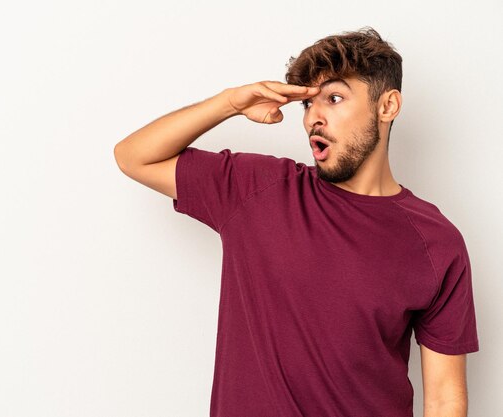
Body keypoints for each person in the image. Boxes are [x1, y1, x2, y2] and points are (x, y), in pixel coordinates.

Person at [113, 26, 479, 417]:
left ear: (387, 106)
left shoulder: (436, 242)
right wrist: (230, 103)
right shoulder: (256, 190)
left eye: (334, 98)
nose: (313, 120)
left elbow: (444, 398)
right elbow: (134, 156)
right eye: (308, 105)